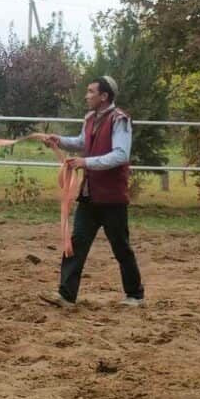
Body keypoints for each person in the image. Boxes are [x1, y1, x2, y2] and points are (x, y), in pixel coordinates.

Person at [40, 75, 145, 309]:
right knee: (76, 243)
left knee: (120, 247)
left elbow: (120, 155)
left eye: (90, 92)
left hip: (111, 197)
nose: (86, 96)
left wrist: (86, 163)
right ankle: (66, 295)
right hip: (89, 195)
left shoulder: (120, 120)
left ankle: (135, 295)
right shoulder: (90, 118)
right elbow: (82, 142)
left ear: (104, 96)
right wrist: (60, 141)